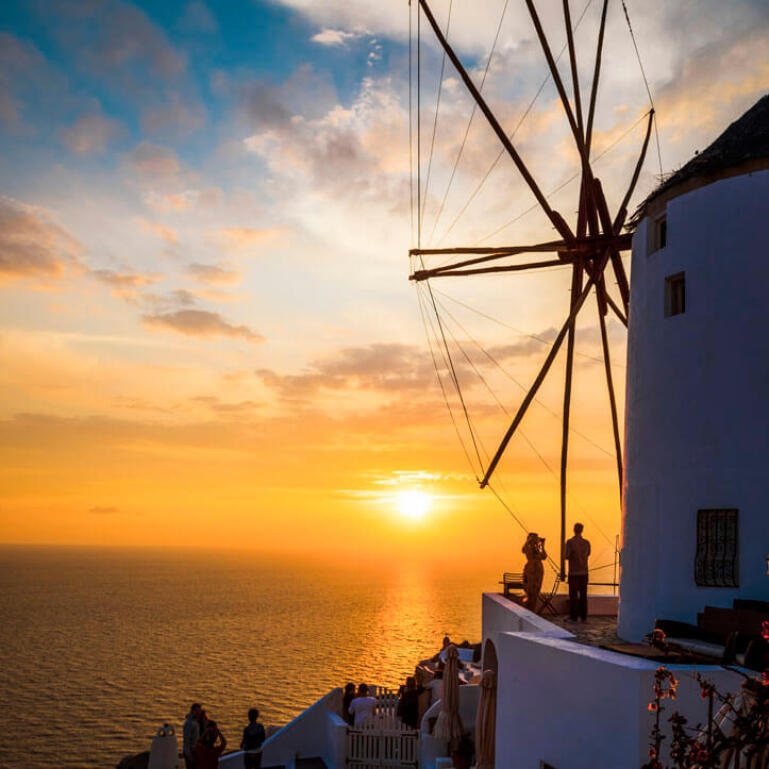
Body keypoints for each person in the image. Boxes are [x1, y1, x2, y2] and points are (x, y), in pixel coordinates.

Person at [565, 522, 591, 621]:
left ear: (574, 529)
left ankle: (574, 616)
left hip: (574, 573)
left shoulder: (570, 542)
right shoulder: (586, 542)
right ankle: (584, 616)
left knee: (573, 595)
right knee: (583, 595)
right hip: (584, 572)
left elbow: (567, 556)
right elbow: (588, 554)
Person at [522, 532, 547, 610]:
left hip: (538, 571)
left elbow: (544, 556)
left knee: (536, 591)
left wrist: (542, 546)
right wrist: (529, 540)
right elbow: (524, 550)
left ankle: (532, 608)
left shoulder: (537, 549)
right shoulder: (528, 548)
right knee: (530, 591)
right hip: (531, 570)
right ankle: (529, 608)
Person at [182, 703, 202, 769]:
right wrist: (188, 754)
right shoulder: (189, 723)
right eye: (197, 711)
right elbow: (186, 739)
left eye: (199, 711)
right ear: (193, 711)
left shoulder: (195, 722)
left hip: (195, 751)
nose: (199, 713)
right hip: (191, 752)